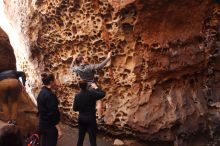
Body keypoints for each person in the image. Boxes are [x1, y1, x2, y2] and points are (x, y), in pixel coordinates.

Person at [70, 52, 111, 119]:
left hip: (85, 87)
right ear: (82, 60)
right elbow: (100, 66)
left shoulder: (77, 68)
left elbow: (71, 68)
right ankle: (100, 117)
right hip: (92, 86)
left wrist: (73, 59)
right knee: (99, 100)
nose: (87, 58)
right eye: (86, 57)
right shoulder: (89, 67)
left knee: (88, 101)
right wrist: (108, 58)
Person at [73, 80, 106, 146]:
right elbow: (103, 93)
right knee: (92, 140)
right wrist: (96, 87)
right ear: (87, 86)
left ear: (80, 87)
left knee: (80, 138)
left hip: (81, 118)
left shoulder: (77, 96)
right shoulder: (92, 93)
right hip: (91, 119)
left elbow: (75, 109)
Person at [37, 73, 62, 146]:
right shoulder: (50, 95)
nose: (56, 83)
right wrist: (59, 129)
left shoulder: (41, 93)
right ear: (51, 82)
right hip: (50, 127)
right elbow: (53, 114)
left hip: (42, 124)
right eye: (54, 81)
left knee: (44, 143)